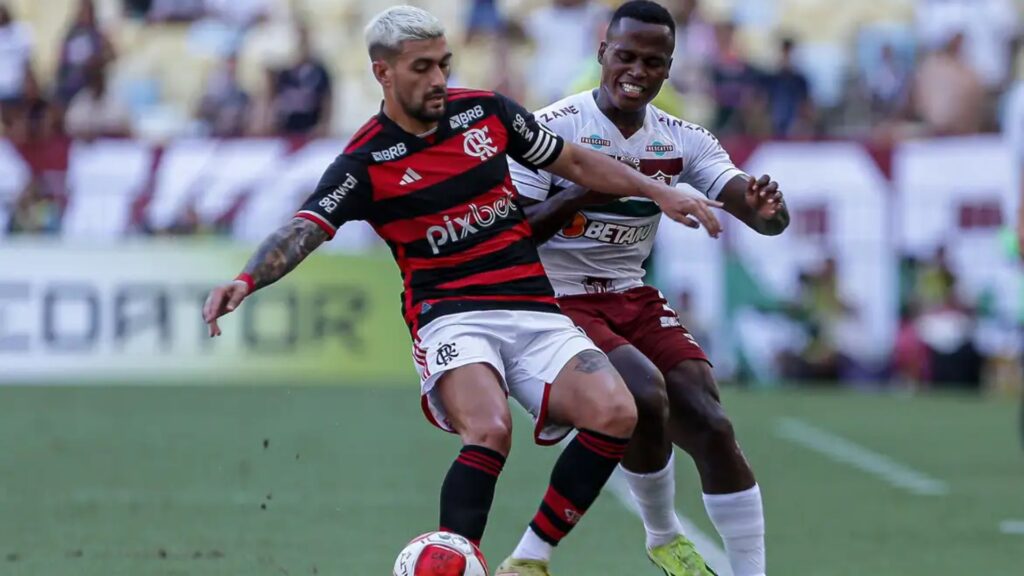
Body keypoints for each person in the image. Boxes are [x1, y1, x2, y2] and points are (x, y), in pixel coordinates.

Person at [201, 6, 723, 576]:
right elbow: (303, 229)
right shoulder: (365, 160)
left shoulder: (488, 113)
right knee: (491, 429)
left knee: (617, 411)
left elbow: (575, 160)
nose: (437, 79)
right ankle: (454, 558)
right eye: (421, 67)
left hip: (532, 307)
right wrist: (247, 279)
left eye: (443, 64)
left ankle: (528, 560)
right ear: (383, 73)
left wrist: (660, 191)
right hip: (452, 317)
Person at [509, 3, 789, 575]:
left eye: (653, 62)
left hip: (629, 293)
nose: (637, 71)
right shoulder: (550, 129)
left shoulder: (682, 138)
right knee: (643, 392)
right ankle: (664, 535)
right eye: (626, 56)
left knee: (711, 421)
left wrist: (767, 213)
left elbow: (752, 208)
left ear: (669, 69)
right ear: (601, 54)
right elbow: (510, 236)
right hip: (556, 296)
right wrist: (591, 185)